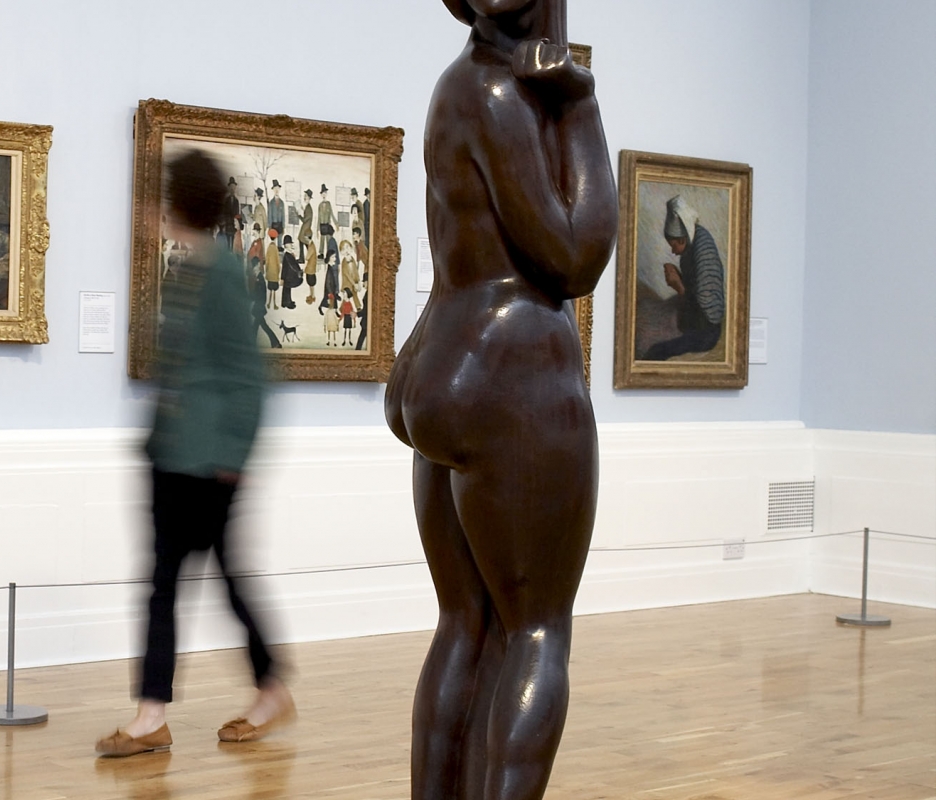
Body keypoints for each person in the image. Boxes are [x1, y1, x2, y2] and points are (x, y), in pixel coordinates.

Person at [384, 0, 618, 797]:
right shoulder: (497, 94)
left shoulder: (456, 84)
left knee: (466, 624)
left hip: (443, 360)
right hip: (511, 370)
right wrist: (581, 107)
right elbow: (577, 257)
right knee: (536, 634)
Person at [96, 150, 292, 759]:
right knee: (164, 585)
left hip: (208, 464)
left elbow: (249, 374)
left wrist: (235, 454)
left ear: (182, 202)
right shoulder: (191, 269)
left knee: (219, 581)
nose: (156, 208)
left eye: (164, 197)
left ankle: (267, 689)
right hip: (172, 456)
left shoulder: (224, 273)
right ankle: (153, 714)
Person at [643, 195, 725, 360]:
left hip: (706, 331)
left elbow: (704, 312)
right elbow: (693, 289)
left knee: (655, 351)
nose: (673, 251)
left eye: (673, 245)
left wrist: (678, 285)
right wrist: (678, 277)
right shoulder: (691, 244)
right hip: (694, 320)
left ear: (682, 239)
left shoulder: (703, 252)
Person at [297, 188, 316, 264]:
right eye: (304, 196)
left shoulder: (309, 208)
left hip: (306, 229)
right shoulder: (307, 207)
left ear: (309, 198)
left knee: (306, 243)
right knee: (302, 242)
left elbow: (305, 220)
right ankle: (303, 258)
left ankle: (309, 257)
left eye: (306, 196)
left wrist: (299, 215)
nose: (304, 197)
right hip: (305, 228)